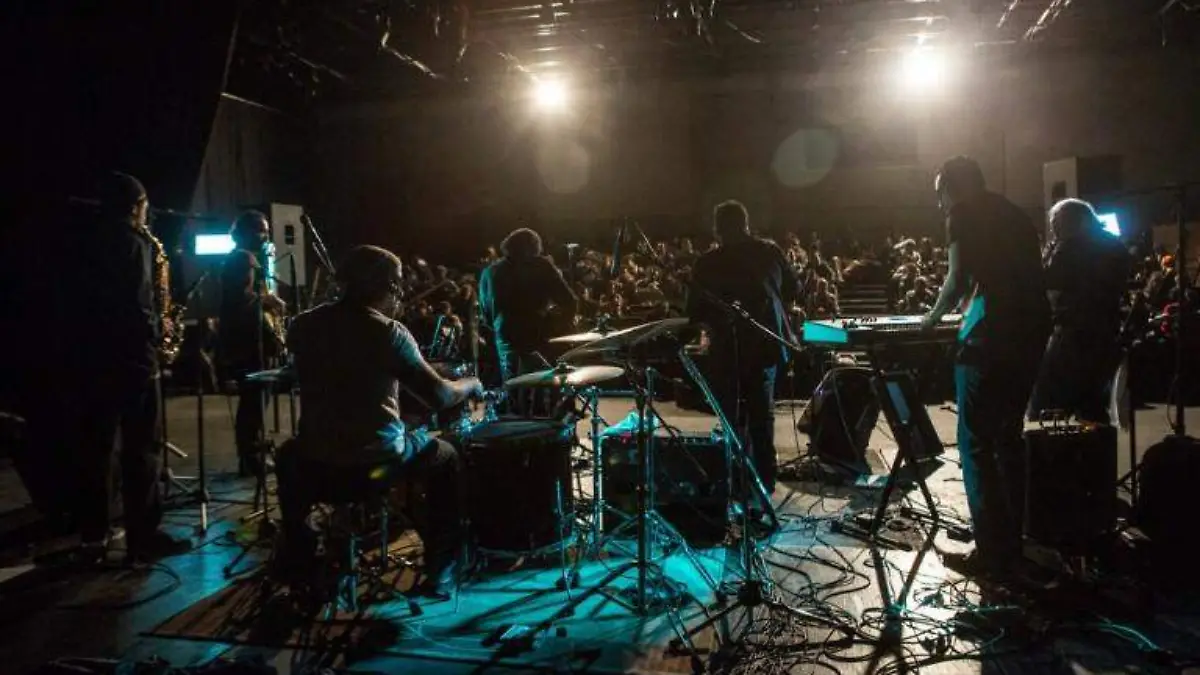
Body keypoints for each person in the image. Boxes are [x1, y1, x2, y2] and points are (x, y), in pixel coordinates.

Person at [281, 245, 483, 598]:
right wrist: (470, 383)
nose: (400, 291)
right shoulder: (389, 332)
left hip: (314, 465)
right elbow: (438, 396)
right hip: (371, 464)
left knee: (286, 454)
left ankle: (302, 561)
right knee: (446, 454)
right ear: (387, 285)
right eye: (397, 283)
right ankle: (444, 565)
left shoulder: (302, 325)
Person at [29, 172, 190, 562]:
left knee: (95, 450)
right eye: (144, 208)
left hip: (89, 361)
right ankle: (142, 536)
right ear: (137, 206)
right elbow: (138, 306)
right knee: (142, 450)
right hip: (133, 361)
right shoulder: (135, 244)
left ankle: (93, 538)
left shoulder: (81, 242)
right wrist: (158, 337)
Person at [920, 156, 1051, 579]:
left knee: (976, 443)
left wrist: (929, 320)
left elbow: (957, 278)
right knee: (1007, 438)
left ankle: (991, 553)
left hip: (989, 338)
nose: (940, 203)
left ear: (951, 187)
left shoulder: (963, 213)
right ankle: (1013, 542)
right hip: (1031, 334)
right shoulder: (1015, 213)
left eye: (940, 193)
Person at [686, 200, 799, 497]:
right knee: (762, 416)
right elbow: (793, 290)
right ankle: (764, 481)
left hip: (727, 350)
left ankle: (734, 480)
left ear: (717, 229)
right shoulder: (770, 251)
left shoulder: (708, 263)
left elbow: (694, 311)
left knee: (731, 417)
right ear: (746, 224)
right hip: (766, 345)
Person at [1029, 198, 1133, 423]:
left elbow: (1048, 281)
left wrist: (1048, 253)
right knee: (1092, 402)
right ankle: (1097, 442)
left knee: (1045, 402)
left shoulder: (1070, 248)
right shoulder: (1114, 245)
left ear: (1076, 221)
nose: (1054, 230)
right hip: (1106, 331)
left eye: (1057, 223)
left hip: (1072, 333)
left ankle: (1054, 443)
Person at [477, 227, 577, 414]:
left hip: (504, 337)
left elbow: (486, 315)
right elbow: (570, 302)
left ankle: (516, 421)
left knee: (513, 387)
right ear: (534, 248)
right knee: (543, 389)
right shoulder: (541, 266)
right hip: (538, 336)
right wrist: (558, 323)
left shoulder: (489, 272)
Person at [217, 210, 285, 476]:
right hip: (249, 342)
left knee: (254, 401)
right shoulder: (243, 259)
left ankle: (253, 452)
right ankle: (251, 457)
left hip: (246, 340)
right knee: (254, 401)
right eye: (262, 230)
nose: (266, 235)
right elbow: (241, 299)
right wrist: (269, 301)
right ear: (248, 233)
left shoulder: (243, 258)